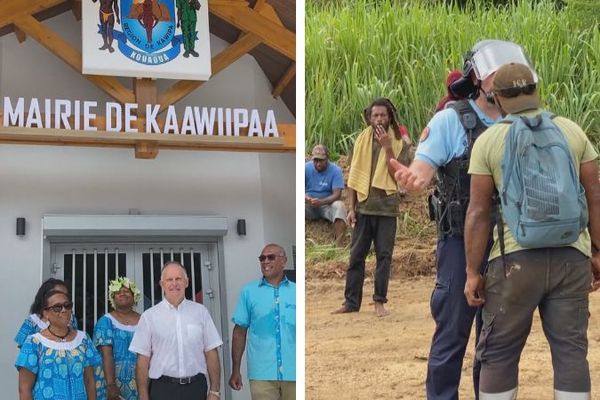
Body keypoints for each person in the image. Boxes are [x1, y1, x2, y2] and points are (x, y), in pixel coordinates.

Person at [391, 40, 536, 399]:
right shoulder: (451, 120)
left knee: (497, 335)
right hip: (460, 241)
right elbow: (422, 167)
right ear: (476, 78)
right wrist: (416, 178)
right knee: (453, 331)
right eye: (493, 72)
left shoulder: (525, 122)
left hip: (513, 243)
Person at [464, 62, 600, 399]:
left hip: (514, 262)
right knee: (570, 352)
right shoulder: (571, 131)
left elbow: (479, 212)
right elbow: (595, 195)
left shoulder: (490, 140)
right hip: (571, 256)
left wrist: (471, 271)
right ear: (537, 89)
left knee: (499, 354)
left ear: (496, 96)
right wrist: (597, 251)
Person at [332, 97, 406, 317]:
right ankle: (351, 302)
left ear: (389, 117)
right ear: (369, 118)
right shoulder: (361, 140)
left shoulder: (399, 141)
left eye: (383, 115)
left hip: (386, 209)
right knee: (356, 257)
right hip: (364, 208)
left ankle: (379, 302)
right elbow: (353, 177)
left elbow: (398, 177)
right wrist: (351, 208)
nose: (379, 119)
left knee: (384, 256)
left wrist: (388, 149)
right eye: (375, 115)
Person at [129, 261, 222, 400]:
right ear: (162, 284)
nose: (174, 283)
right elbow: (142, 360)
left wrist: (215, 391)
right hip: (162, 389)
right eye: (169, 280)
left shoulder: (201, 312)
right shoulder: (149, 317)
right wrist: (143, 396)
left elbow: (211, 352)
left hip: (195, 388)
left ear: (186, 282)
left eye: (178, 279)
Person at [229, 243, 296, 400]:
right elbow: (239, 332)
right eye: (262, 258)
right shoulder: (249, 292)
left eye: (271, 257)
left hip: (295, 371)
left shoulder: (297, 291)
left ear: (284, 260)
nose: (265, 261)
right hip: (262, 374)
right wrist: (236, 369)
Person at [16, 289, 102, 400]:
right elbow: (24, 388)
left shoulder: (83, 339)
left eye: (67, 306)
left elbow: (89, 380)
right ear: (46, 313)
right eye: (57, 307)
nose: (64, 310)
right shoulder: (34, 342)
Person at [94, 277, 141, 400]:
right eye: (118, 292)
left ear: (134, 296)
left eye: (127, 291)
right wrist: (110, 385)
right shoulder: (106, 321)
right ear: (113, 298)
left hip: (141, 382)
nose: (122, 294)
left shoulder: (145, 320)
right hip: (112, 384)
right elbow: (106, 355)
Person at [15, 278, 78, 348]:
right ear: (45, 297)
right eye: (56, 293)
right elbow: (22, 346)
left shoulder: (71, 319)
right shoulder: (33, 321)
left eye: (65, 294)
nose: (61, 297)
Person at [305, 144, 348, 247]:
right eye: (316, 160)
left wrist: (322, 202)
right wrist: (306, 198)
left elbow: (337, 194)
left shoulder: (336, 170)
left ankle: (339, 245)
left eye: (321, 160)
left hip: (327, 205)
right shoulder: (305, 168)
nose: (318, 164)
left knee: (340, 206)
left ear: (327, 158)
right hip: (309, 205)